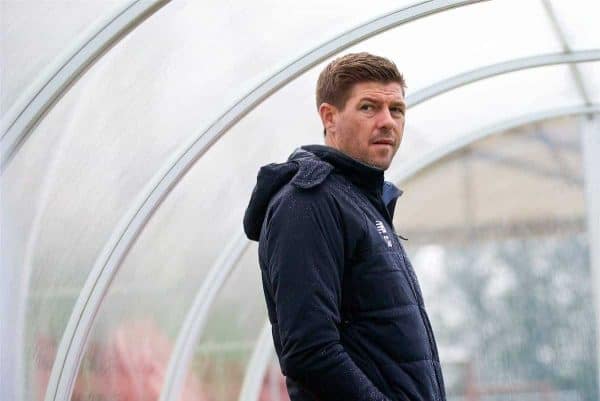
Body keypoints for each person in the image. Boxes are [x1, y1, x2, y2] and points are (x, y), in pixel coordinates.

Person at [243, 53, 445, 401]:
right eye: (369, 107)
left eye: (396, 110)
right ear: (329, 116)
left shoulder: (362, 203)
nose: (387, 122)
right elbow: (310, 351)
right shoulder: (308, 203)